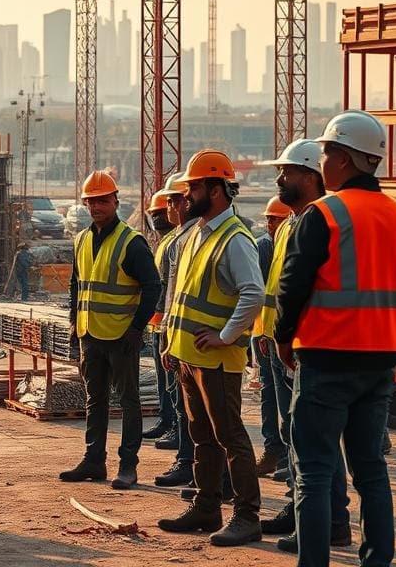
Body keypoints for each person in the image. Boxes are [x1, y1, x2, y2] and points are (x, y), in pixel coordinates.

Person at [276, 110, 396, 567]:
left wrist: (283, 338)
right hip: (380, 358)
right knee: (372, 471)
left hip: (326, 356)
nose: (322, 162)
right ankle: (376, 560)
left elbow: (293, 284)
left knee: (314, 472)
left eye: (325, 153)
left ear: (342, 158)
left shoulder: (324, 214)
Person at [158, 149, 266, 547]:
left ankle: (247, 514)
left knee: (230, 437)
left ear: (218, 190)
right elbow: (181, 295)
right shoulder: (197, 234)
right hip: (189, 356)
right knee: (201, 435)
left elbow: (253, 292)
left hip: (218, 360)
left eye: (196, 187)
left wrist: (225, 335)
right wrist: (172, 341)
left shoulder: (235, 238)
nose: (188, 196)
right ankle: (207, 506)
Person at [256, 140, 351, 551]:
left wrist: (287, 339)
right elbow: (277, 291)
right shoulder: (290, 225)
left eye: (288, 172)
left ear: (311, 176)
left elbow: (304, 291)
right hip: (282, 344)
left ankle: (329, 521)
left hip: (302, 346)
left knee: (314, 439)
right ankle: (303, 509)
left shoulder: (315, 223)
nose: (281, 179)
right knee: (294, 434)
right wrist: (267, 333)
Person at [60, 169, 161, 490]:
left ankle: (128, 465)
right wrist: (75, 323)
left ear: (116, 200)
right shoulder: (81, 240)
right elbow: (77, 284)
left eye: (103, 201)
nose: (96, 207)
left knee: (129, 401)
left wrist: (136, 328)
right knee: (95, 399)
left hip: (121, 337)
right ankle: (94, 460)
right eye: (91, 202)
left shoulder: (131, 243)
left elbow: (152, 286)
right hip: (90, 335)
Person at [152, 172, 202, 487]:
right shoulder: (179, 240)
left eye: (172, 201)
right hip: (181, 337)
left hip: (200, 342)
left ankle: (192, 463)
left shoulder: (190, 239)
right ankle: (192, 464)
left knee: (198, 415)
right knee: (186, 407)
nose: (168, 208)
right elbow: (171, 294)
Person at [251, 195, 292, 479]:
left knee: (288, 400)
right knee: (270, 395)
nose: (269, 223)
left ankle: (288, 456)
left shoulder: (288, 241)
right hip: (266, 333)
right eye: (267, 218)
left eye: (275, 219)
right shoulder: (265, 246)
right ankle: (275, 450)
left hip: (280, 336)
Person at [142, 182, 179, 443]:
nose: (156, 218)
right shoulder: (163, 243)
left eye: (159, 213)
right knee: (163, 383)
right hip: (157, 325)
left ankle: (174, 425)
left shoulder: (174, 244)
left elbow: (167, 287)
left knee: (172, 383)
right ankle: (166, 421)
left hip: (167, 325)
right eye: (153, 214)